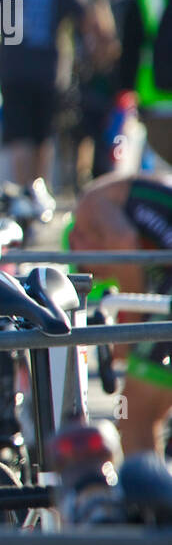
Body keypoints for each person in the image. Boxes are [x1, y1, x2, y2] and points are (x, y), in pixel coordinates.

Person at [69, 171, 172, 456]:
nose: (99, 274)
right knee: (147, 411)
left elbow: (124, 244)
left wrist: (128, 335)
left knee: (133, 414)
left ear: (77, 238)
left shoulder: (90, 204)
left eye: (84, 267)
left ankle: (147, 496)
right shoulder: (122, 200)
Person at [0, 0, 96, 187]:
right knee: (43, 137)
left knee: (19, 137)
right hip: (50, 74)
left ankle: (23, 194)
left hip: (13, 71)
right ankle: (38, 195)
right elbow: (94, 26)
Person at [118, 0, 172, 165]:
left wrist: (122, 89)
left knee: (161, 181)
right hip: (155, 103)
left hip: (155, 101)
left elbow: (131, 48)